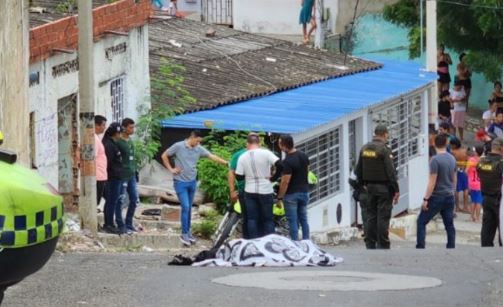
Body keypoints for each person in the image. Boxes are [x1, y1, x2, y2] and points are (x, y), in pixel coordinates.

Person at [161, 130, 228, 246]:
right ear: (192, 137)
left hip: (192, 182)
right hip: (180, 182)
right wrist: (171, 169)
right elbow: (164, 155)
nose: (198, 144)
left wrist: (227, 163)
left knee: (189, 208)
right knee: (185, 207)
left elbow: (211, 156)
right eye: (197, 141)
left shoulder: (198, 148)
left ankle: (188, 232)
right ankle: (184, 234)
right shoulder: (178, 146)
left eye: (199, 142)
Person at [355, 125, 399, 249]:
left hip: (369, 188)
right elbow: (391, 172)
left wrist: (362, 185)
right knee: (383, 217)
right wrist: (396, 189)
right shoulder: (384, 150)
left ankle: (370, 243)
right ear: (385, 134)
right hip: (384, 189)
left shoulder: (364, 148)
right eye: (387, 135)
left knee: (371, 216)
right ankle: (383, 244)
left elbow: (358, 170)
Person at [235, 133, 282, 239]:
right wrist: (273, 178)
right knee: (268, 219)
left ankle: (254, 243)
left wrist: (247, 176)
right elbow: (280, 165)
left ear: (247, 144)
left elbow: (238, 176)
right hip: (265, 189)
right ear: (259, 143)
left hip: (250, 190)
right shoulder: (266, 153)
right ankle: (270, 242)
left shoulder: (242, 157)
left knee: (252, 219)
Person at [416, 133, 457, 249]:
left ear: (434, 144)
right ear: (446, 143)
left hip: (437, 197)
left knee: (421, 221)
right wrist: (452, 193)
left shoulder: (434, 160)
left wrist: (426, 199)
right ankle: (451, 246)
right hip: (449, 196)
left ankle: (420, 246)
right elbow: (454, 179)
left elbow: (432, 182)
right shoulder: (452, 158)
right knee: (449, 224)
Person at [276, 134, 310, 241]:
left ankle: (295, 244)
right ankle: (306, 242)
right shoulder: (304, 155)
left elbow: (285, 182)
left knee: (293, 221)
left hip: (291, 195)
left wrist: (280, 197)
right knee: (304, 219)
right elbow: (307, 171)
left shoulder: (287, 162)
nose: (279, 146)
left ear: (284, 146)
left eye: (279, 144)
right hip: (304, 192)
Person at [477, 137, 503, 247]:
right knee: (501, 228)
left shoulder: (482, 161)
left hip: (486, 198)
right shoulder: (501, 163)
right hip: (499, 200)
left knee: (487, 228)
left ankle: (486, 252)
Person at [116, 118, 139, 234]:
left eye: (133, 127)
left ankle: (129, 223)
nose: (132, 130)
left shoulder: (129, 140)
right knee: (121, 200)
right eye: (130, 127)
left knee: (134, 199)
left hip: (131, 175)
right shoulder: (119, 141)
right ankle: (120, 224)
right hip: (123, 175)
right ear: (124, 128)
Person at [102, 123, 125, 234]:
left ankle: (110, 223)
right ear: (116, 133)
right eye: (120, 133)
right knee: (111, 201)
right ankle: (108, 224)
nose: (121, 135)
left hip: (116, 177)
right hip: (112, 178)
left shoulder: (112, 144)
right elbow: (108, 163)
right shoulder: (109, 145)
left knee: (112, 201)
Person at [228, 142, 249, 239]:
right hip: (260, 191)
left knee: (247, 218)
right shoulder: (265, 153)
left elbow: (231, 173)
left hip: (244, 190)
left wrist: (232, 191)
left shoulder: (238, 155)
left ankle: (246, 240)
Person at [450, 138, 470, 213]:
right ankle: (465, 207)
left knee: (456, 190)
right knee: (466, 189)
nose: (450, 146)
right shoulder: (465, 150)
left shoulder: (453, 152)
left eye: (451, 144)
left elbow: (451, 162)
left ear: (454, 145)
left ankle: (457, 207)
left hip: (456, 171)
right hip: (464, 171)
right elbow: (468, 160)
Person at [467, 145, 483, 222]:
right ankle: (477, 218)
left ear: (476, 152)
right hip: (481, 183)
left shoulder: (471, 160)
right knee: (479, 201)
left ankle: (471, 217)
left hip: (472, 182)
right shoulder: (483, 160)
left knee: (473, 200)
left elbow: (466, 171)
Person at [95, 115, 107, 207]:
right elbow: (92, 158)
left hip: (101, 174)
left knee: (97, 201)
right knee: (95, 201)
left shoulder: (96, 138)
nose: (104, 127)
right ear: (96, 125)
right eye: (103, 125)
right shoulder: (94, 139)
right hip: (97, 175)